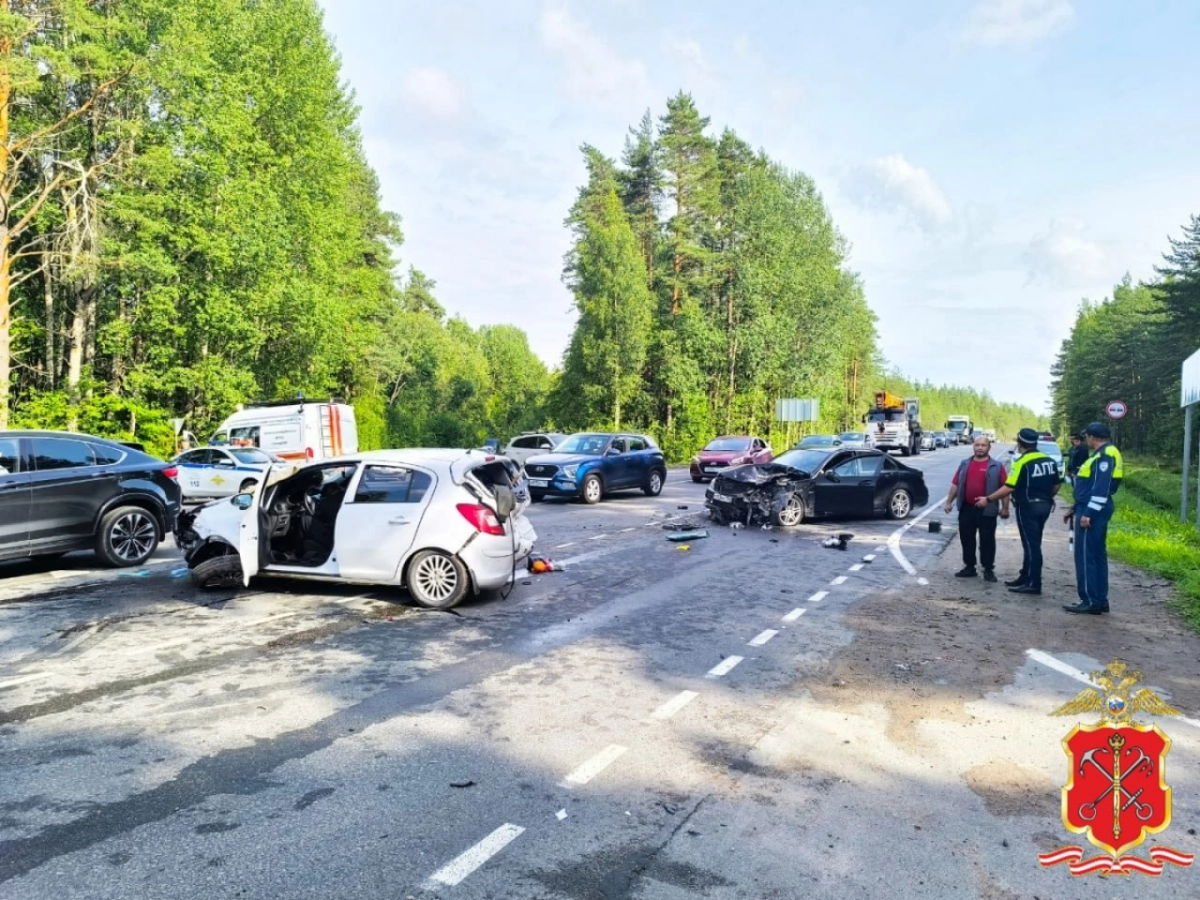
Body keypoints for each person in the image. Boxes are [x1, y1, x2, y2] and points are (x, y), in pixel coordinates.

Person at [975, 427, 1060, 595]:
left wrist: (988, 499)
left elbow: (1008, 487)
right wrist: (1047, 497)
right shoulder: (1048, 460)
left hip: (1027, 506)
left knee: (1031, 546)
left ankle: (1034, 583)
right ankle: (1025, 576)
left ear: (1020, 443)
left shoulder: (1022, 462)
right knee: (1034, 542)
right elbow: (1057, 484)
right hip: (1045, 505)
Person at [1063, 421, 1124, 615]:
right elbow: (1091, 487)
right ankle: (1099, 598)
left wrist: (1088, 512)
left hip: (1094, 510)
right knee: (1097, 555)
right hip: (1091, 506)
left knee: (1085, 555)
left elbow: (1101, 487)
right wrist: (1075, 507)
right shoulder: (1106, 452)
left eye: (1087, 437)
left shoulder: (1105, 455)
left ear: (1091, 437)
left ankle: (1090, 600)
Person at [943, 436, 1009, 582]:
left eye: (983, 445)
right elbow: (956, 484)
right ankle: (969, 567)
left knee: (987, 540)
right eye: (977, 445)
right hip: (967, 508)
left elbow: (1005, 488)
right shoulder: (965, 464)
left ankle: (988, 569)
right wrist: (949, 502)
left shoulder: (997, 466)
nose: (980, 448)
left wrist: (1005, 508)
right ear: (973, 446)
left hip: (988, 509)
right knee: (966, 539)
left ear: (989, 447)